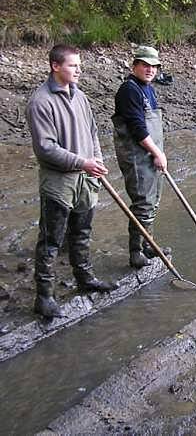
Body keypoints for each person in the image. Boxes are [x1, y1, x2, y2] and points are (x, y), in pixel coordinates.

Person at [26, 44, 116, 318]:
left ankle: (84, 278)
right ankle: (44, 296)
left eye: (79, 65)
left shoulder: (80, 97)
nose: (79, 70)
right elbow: (46, 148)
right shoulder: (40, 102)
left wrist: (96, 161)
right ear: (55, 66)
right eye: (73, 65)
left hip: (86, 180)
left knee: (82, 232)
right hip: (58, 183)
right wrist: (82, 162)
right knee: (51, 240)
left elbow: (92, 133)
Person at [112, 46, 169, 269]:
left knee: (153, 201)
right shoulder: (129, 90)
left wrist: (158, 154)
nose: (150, 69)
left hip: (151, 154)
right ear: (134, 65)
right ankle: (136, 253)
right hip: (136, 156)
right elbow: (137, 128)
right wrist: (157, 153)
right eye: (145, 65)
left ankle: (149, 246)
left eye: (154, 66)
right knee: (143, 203)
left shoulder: (148, 89)